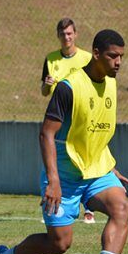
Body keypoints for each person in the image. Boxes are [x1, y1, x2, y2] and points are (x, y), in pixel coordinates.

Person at [0, 29, 128, 254]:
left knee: (121, 207)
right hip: (63, 176)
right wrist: (53, 181)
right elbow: (47, 133)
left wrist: (110, 167)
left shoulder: (110, 83)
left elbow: (94, 131)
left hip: (96, 172)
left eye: (121, 56)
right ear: (96, 54)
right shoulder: (69, 87)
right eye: (113, 56)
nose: (118, 62)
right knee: (59, 243)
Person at [41, 17, 96, 224]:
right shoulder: (51, 59)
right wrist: (46, 85)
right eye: (63, 34)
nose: (67, 37)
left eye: (70, 33)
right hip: (58, 118)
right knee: (57, 162)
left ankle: (89, 208)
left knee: (87, 158)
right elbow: (44, 91)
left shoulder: (86, 58)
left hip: (82, 117)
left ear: (76, 35)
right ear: (58, 36)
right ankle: (54, 205)